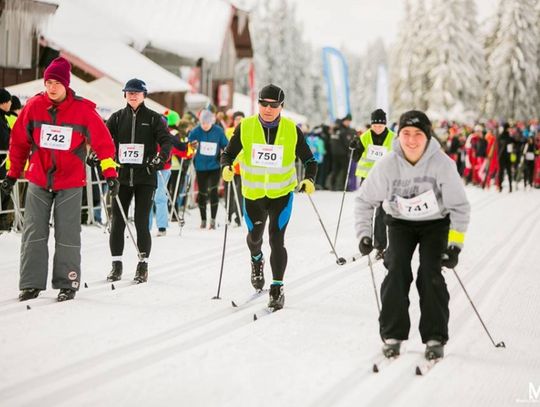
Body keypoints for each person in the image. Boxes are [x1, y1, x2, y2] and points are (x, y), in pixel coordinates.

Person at [0, 57, 119, 301]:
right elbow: (19, 144)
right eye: (48, 82)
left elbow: (103, 143)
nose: (51, 87)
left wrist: (110, 174)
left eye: (56, 83)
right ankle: (30, 284)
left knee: (67, 234)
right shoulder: (33, 107)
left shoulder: (83, 110)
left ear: (66, 84)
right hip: (39, 178)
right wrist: (12, 176)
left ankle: (68, 282)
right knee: (33, 232)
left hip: (70, 182)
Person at [354, 110, 470, 360]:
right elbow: (364, 200)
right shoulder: (387, 164)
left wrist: (455, 246)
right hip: (399, 223)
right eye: (406, 133)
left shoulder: (442, 164)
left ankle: (435, 337)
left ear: (428, 137)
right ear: (399, 136)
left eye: (418, 134)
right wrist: (364, 235)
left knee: (430, 273)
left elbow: (459, 207)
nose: (412, 140)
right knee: (396, 270)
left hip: (435, 224)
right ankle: (393, 335)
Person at [221, 84, 317, 311]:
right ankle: (256, 260)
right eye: (264, 104)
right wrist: (226, 166)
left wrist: (310, 180)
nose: (268, 109)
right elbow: (227, 154)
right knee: (255, 238)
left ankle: (277, 287)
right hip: (253, 194)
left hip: (281, 193)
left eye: (274, 105)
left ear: (281, 106)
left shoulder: (292, 130)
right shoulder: (245, 126)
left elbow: (310, 160)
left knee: (276, 238)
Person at [106, 78, 172, 283]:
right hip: (122, 178)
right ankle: (116, 264)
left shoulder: (153, 118)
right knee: (117, 222)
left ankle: (143, 265)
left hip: (145, 177)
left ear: (144, 95)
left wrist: (160, 159)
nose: (133, 95)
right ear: (124, 95)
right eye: (129, 92)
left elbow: (166, 142)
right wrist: (98, 157)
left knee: (142, 222)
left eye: (137, 92)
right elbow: (104, 141)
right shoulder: (116, 118)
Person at [350, 108, 395, 259]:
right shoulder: (364, 137)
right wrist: (354, 148)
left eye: (380, 125)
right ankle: (366, 240)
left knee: (382, 212)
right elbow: (355, 158)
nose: (377, 127)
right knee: (366, 211)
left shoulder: (393, 138)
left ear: (385, 124)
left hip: (385, 179)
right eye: (374, 125)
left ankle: (380, 246)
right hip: (367, 179)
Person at [188, 109, 229, 229]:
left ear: (211, 121)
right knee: (202, 192)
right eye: (202, 123)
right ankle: (203, 219)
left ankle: (213, 220)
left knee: (213, 191)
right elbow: (190, 143)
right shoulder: (196, 131)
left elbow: (225, 144)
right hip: (200, 166)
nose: (204, 126)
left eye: (206, 123)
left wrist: (224, 153)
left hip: (214, 166)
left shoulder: (218, 131)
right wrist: (192, 145)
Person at [328, 113, 356, 190]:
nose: (348, 123)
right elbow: (346, 143)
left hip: (335, 153)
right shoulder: (343, 130)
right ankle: (343, 187)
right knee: (343, 171)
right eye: (347, 121)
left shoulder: (336, 130)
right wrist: (349, 150)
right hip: (342, 154)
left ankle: (333, 186)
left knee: (336, 170)